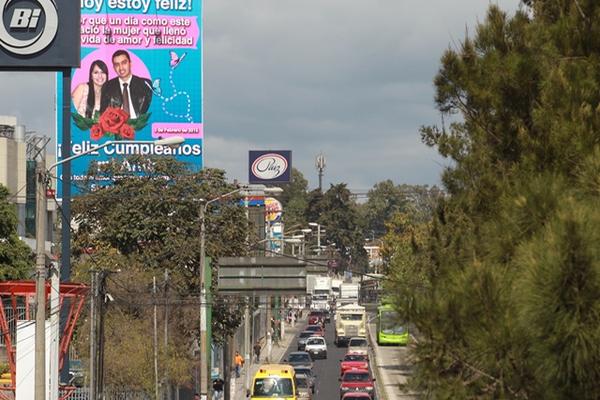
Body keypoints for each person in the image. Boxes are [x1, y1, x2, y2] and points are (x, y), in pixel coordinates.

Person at [100, 49, 152, 119]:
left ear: (130, 64)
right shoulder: (107, 87)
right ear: (114, 68)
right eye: (117, 65)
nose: (121, 68)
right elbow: (103, 114)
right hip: (117, 124)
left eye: (124, 63)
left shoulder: (145, 84)